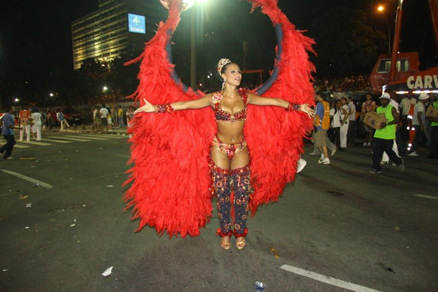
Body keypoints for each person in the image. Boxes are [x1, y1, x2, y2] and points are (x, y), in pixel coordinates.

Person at [134, 59, 314, 249]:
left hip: (240, 149)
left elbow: (274, 101)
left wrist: (297, 107)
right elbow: (186, 105)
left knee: (242, 193)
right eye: (233, 72)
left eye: (238, 72)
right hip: (219, 148)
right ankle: (225, 232)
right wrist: (156, 108)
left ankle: (240, 232)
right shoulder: (214, 98)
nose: (238, 75)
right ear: (224, 75)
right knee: (222, 194)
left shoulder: (246, 97)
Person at [370, 93, 405, 174]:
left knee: (389, 151)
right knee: (376, 153)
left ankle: (399, 161)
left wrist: (387, 123)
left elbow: (398, 119)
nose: (382, 101)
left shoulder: (392, 109)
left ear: (388, 101)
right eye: (382, 99)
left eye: (384, 99)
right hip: (378, 134)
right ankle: (376, 168)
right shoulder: (378, 109)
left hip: (388, 135)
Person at [313, 90, 331, 164]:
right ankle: (323, 155)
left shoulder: (320, 104)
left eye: (315, 95)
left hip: (321, 126)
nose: (314, 96)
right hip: (325, 125)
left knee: (322, 142)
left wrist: (311, 123)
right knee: (317, 141)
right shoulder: (326, 103)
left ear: (319, 95)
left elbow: (317, 115)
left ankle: (326, 158)